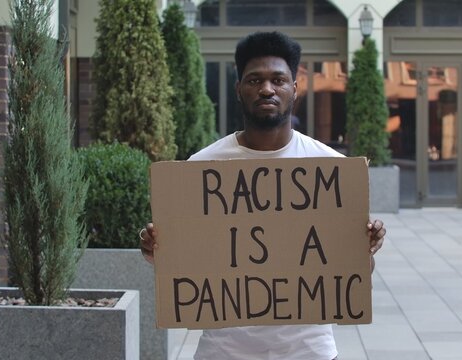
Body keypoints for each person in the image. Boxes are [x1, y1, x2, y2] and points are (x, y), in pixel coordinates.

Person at [140, 31, 386, 360]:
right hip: (223, 352)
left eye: (277, 80)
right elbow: (184, 262)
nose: (266, 89)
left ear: (294, 89)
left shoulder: (332, 169)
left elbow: (351, 273)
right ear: (239, 89)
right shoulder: (199, 169)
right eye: (254, 80)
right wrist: (159, 247)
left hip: (308, 352)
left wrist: (363, 249)